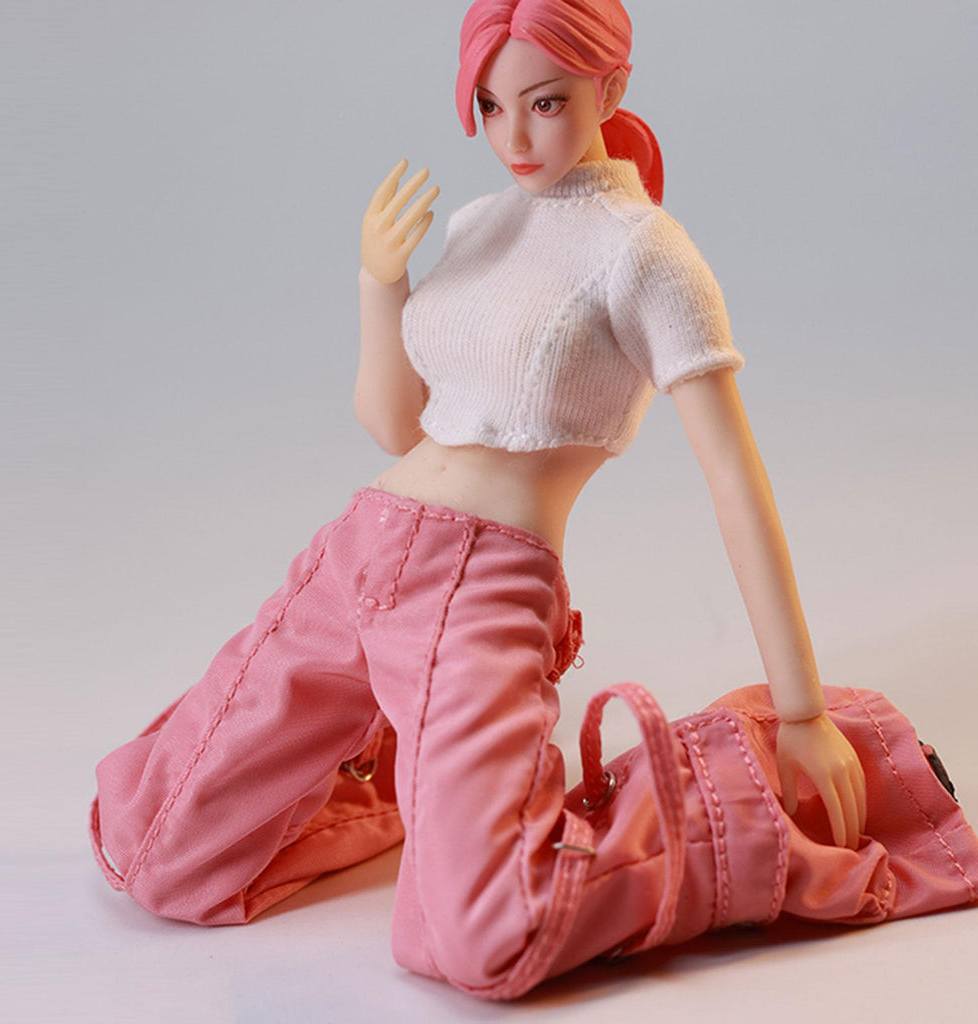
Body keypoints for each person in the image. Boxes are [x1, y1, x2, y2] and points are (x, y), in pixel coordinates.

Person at [91, 0, 978, 1001]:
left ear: (612, 87)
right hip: (357, 549)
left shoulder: (645, 252)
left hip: (479, 584)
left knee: (486, 937)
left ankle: (733, 788)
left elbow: (735, 479)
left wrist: (803, 709)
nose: (513, 136)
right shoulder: (479, 224)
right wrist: (379, 284)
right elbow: (396, 426)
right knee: (152, 849)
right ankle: (420, 789)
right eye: (490, 105)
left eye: (545, 102)